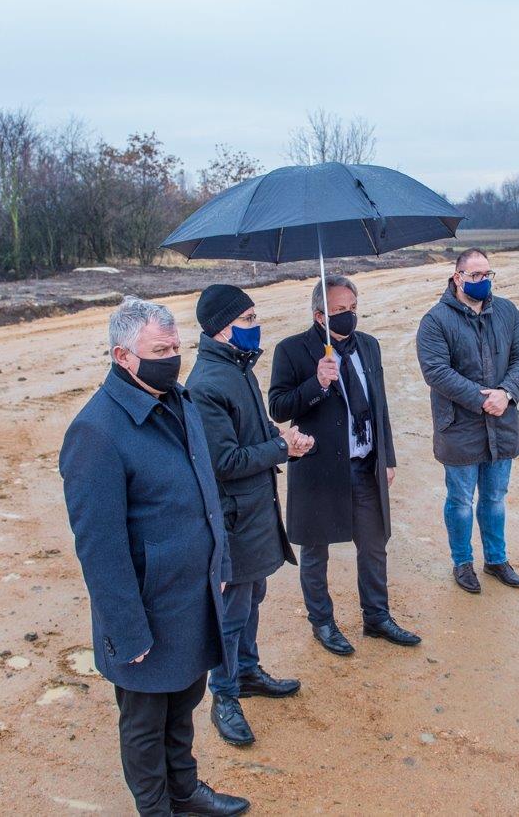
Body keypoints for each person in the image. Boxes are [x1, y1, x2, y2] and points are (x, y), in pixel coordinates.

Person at [59, 295, 249, 817]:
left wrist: (220, 565)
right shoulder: (96, 432)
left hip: (192, 594)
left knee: (184, 702)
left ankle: (184, 792)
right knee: (145, 723)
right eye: (159, 351)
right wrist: (126, 629)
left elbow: (207, 492)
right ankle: (157, 808)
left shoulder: (179, 401)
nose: (172, 358)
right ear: (122, 356)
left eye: (175, 347)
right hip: (146, 606)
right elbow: (99, 548)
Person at [269, 274, 421, 655]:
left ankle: (377, 617)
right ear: (319, 315)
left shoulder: (368, 346)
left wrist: (387, 457)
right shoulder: (292, 350)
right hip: (319, 469)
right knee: (315, 551)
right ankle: (322, 621)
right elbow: (278, 407)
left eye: (352, 308)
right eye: (339, 310)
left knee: (374, 545)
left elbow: (380, 406)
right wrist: (317, 384)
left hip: (365, 465)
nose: (348, 315)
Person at [186, 284, 310, 748]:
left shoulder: (238, 368)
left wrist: (283, 438)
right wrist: (281, 448)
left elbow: (250, 434)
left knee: (254, 595)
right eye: (249, 319)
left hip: (256, 510)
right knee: (232, 611)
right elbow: (224, 462)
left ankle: (249, 671)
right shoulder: (207, 384)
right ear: (223, 327)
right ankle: (224, 695)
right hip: (233, 518)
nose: (257, 326)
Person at [416, 249, 519, 594]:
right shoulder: (435, 321)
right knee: (460, 500)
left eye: (488, 274)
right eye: (476, 275)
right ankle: (462, 562)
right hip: (459, 427)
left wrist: (507, 392)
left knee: (495, 498)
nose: (483, 281)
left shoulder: (507, 312)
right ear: (458, 277)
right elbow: (436, 372)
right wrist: (483, 399)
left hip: (502, 423)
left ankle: (496, 560)